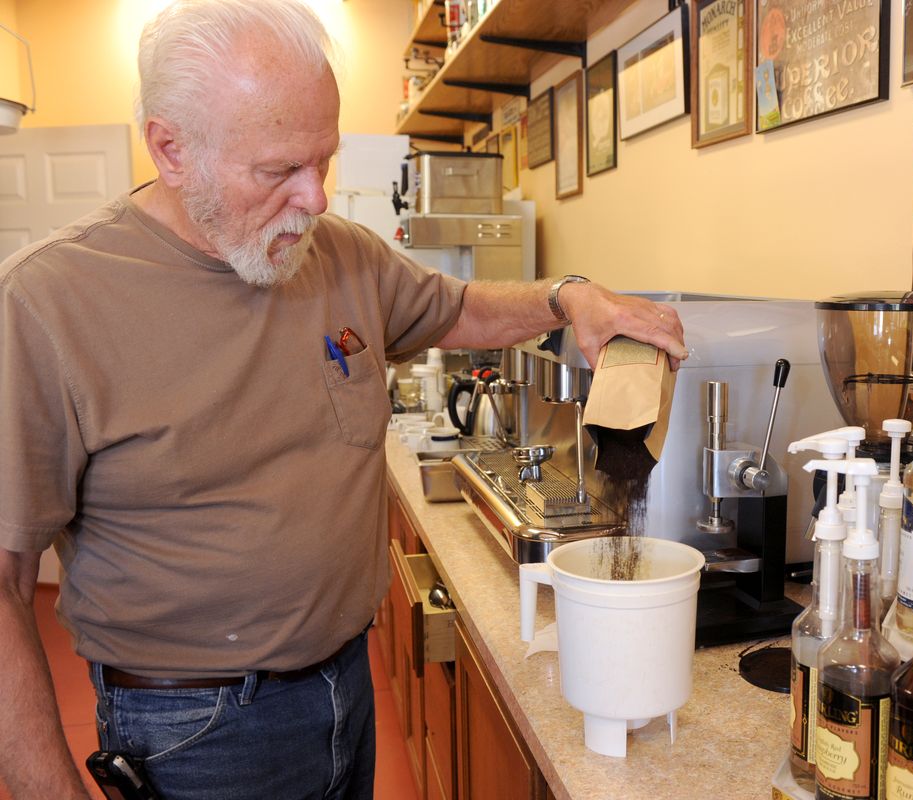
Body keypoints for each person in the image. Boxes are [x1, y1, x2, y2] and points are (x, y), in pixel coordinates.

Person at [0, 2, 686, 798]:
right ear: (171, 148)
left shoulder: (337, 257)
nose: (317, 199)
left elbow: (457, 307)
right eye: (278, 170)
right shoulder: (50, 302)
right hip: (193, 735)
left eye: (322, 161)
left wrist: (571, 298)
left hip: (343, 690)